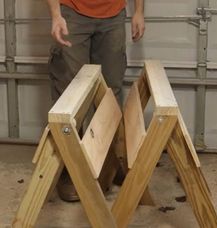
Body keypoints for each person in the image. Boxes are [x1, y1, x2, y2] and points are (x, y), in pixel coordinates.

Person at [46, 0, 145, 202]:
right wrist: (56, 15)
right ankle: (71, 169)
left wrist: (138, 12)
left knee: (111, 90)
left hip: (113, 13)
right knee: (71, 93)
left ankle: (109, 162)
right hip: (72, 12)